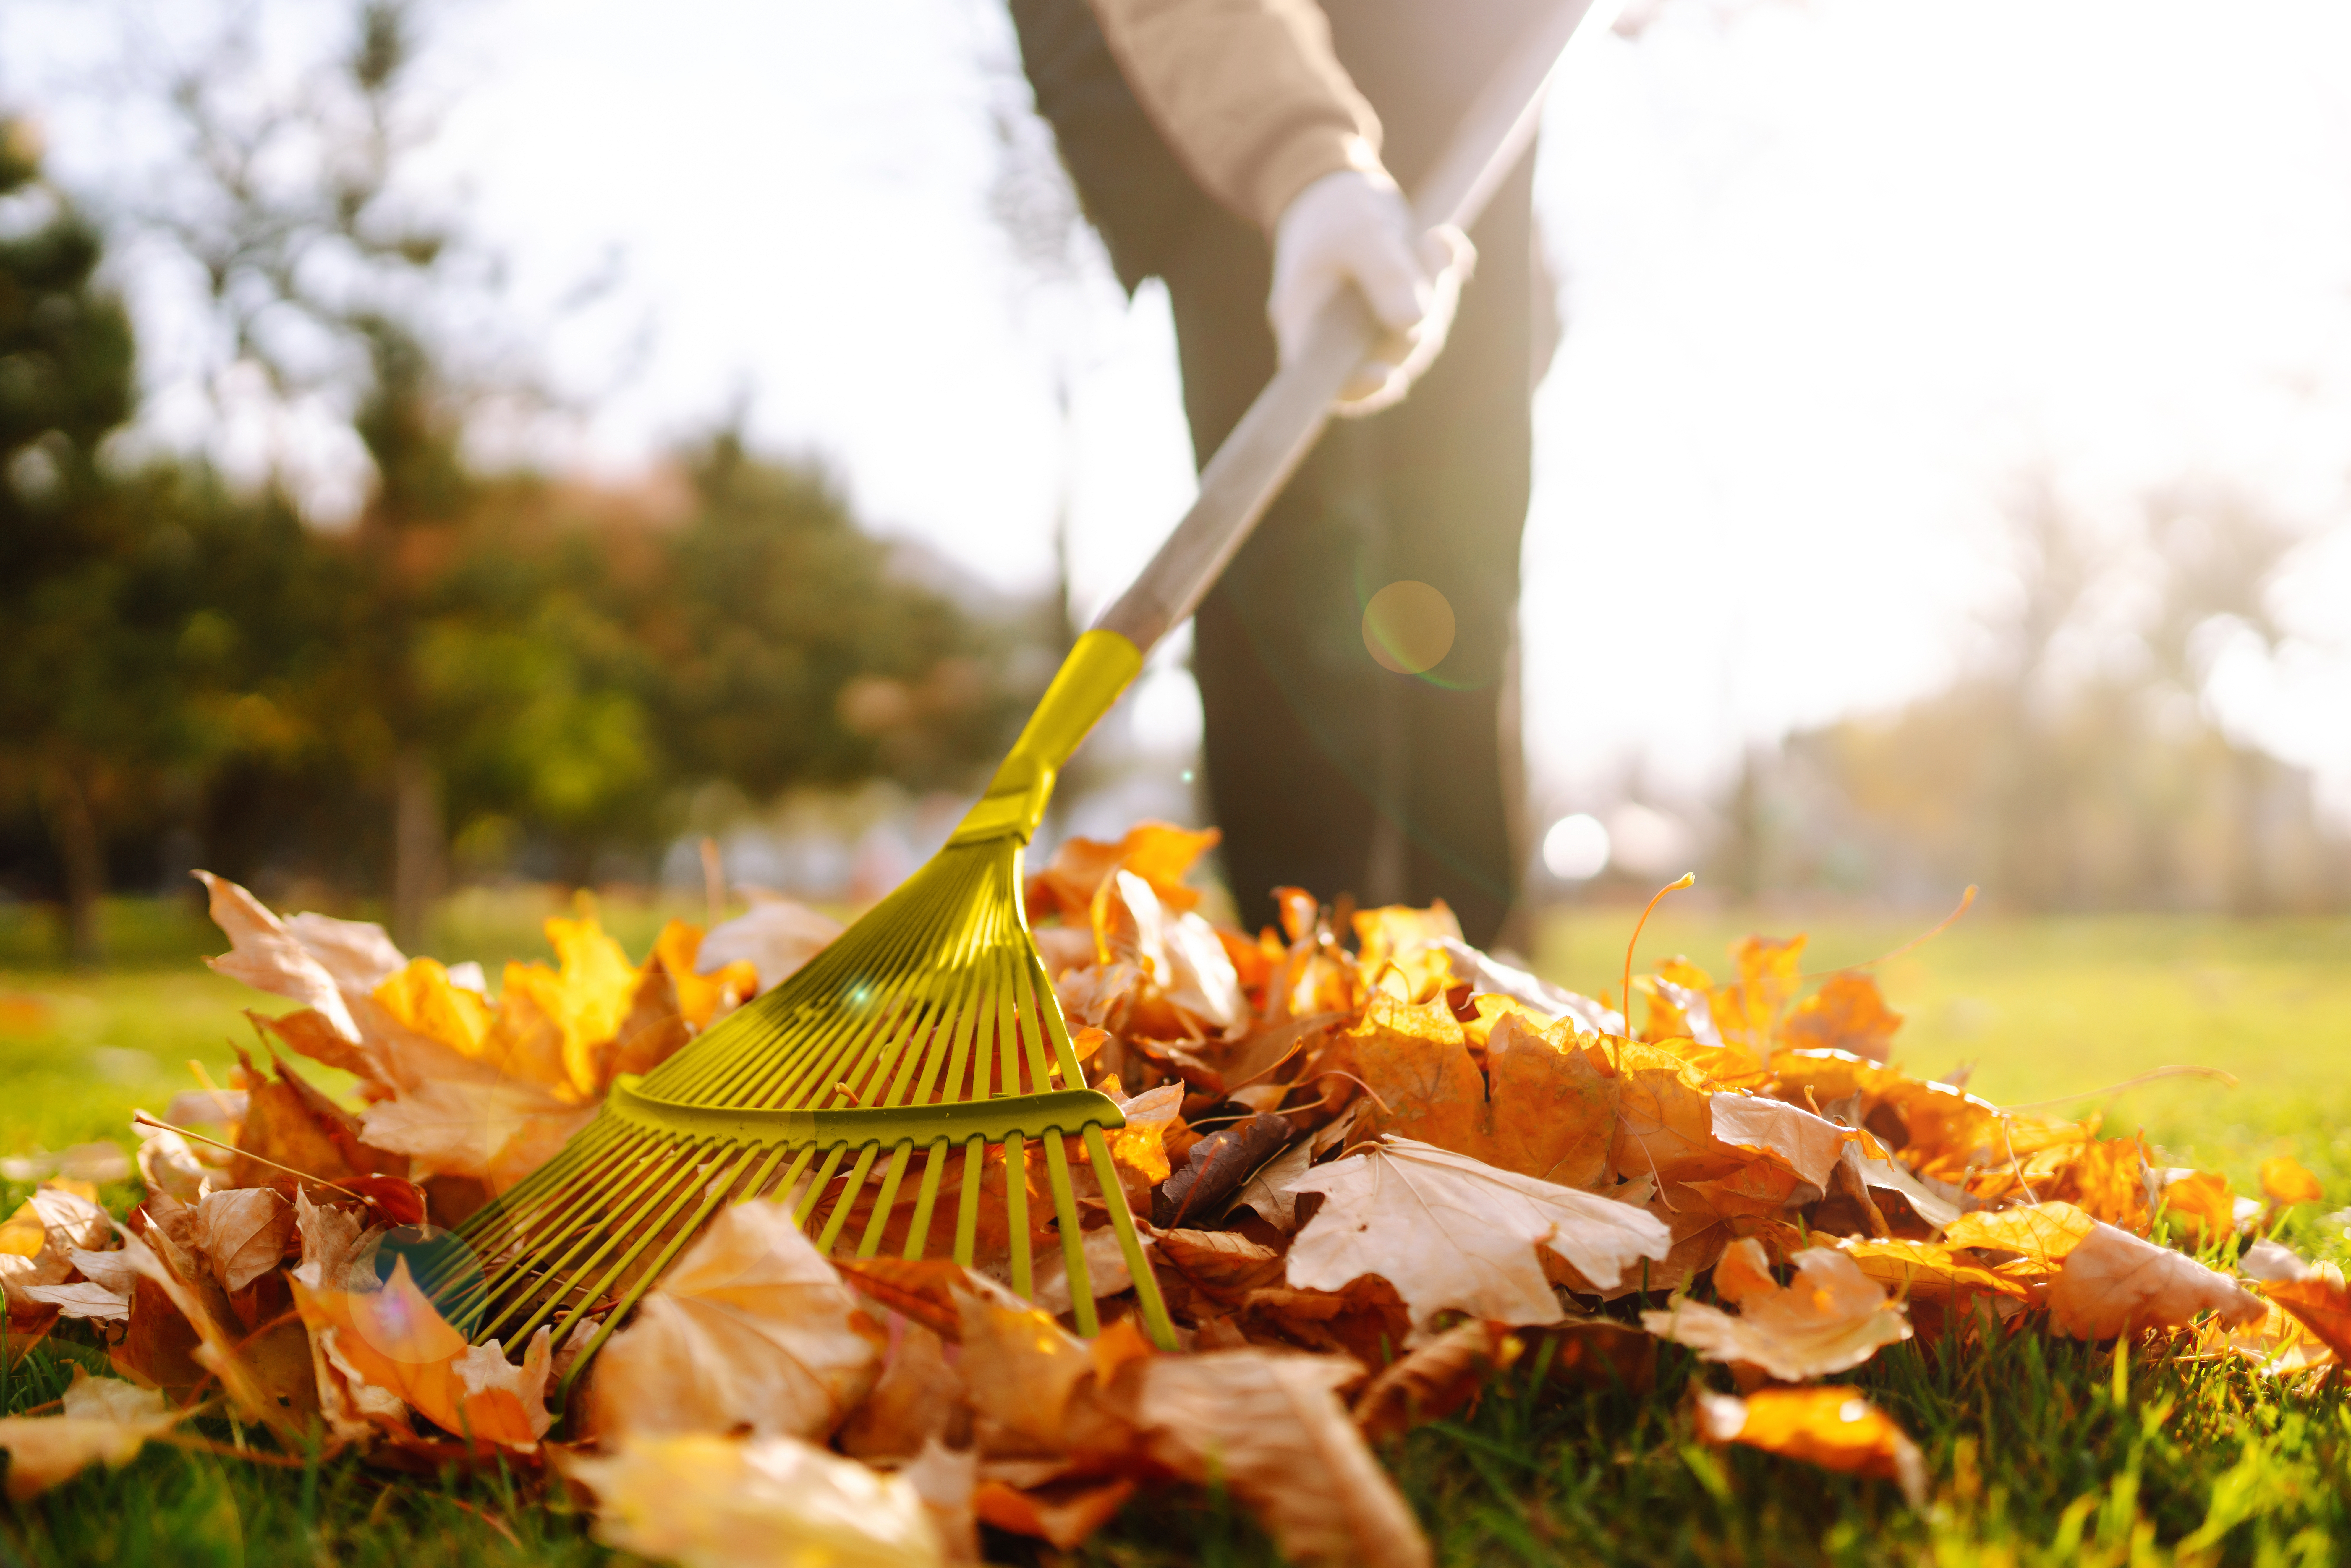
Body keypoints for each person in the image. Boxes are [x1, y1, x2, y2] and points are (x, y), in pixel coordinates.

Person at [1011, 0, 1555, 950]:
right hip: (1208, 73)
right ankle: (1311, 979)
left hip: (1474, 83)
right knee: (1300, 554)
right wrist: (1300, 162)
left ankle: (1466, 978)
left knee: (1461, 548)